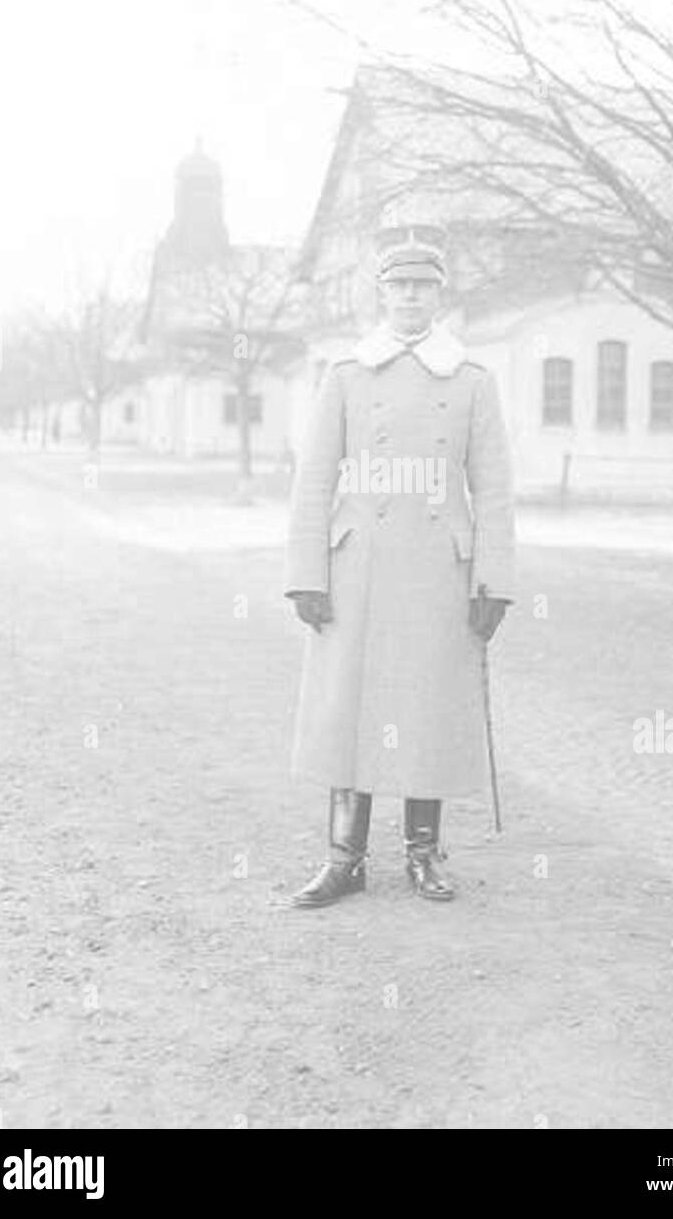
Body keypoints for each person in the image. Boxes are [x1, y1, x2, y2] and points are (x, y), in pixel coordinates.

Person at [284, 224, 515, 908]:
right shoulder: (346, 376)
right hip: (357, 569)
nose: (411, 297)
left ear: (440, 295)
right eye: (400, 285)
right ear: (381, 293)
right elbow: (314, 480)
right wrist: (306, 573)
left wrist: (493, 581)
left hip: (439, 570)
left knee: (427, 706)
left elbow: (495, 490)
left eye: (423, 286)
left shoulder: (472, 380)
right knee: (347, 707)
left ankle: (422, 854)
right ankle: (343, 859)